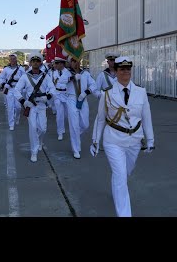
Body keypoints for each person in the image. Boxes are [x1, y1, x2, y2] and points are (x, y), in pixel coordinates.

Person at [91, 56, 155, 217]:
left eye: (128, 69)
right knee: (120, 176)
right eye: (122, 69)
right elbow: (100, 119)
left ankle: (116, 189)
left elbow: (146, 117)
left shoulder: (141, 92)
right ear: (116, 71)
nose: (125, 72)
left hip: (134, 140)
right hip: (113, 139)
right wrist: (95, 141)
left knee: (125, 172)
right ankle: (124, 214)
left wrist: (151, 140)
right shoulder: (107, 94)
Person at [13, 53, 56, 162]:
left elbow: (52, 89)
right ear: (30, 63)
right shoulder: (25, 77)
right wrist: (23, 101)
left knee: (43, 128)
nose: (35, 63)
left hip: (41, 105)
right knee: (32, 128)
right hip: (31, 106)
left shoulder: (45, 76)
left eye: (38, 61)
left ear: (41, 63)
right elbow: (16, 90)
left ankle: (39, 141)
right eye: (33, 61)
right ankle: (34, 151)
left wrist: (47, 97)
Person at [57, 55, 98, 159]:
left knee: (85, 124)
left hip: (83, 99)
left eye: (77, 61)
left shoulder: (85, 73)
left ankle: (75, 135)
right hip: (71, 99)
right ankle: (76, 149)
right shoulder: (66, 73)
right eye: (73, 61)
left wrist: (86, 92)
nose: (76, 63)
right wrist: (71, 78)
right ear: (70, 62)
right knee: (74, 125)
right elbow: (59, 85)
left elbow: (94, 85)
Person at [92, 52, 119, 151]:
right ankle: (96, 142)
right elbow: (95, 89)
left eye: (114, 60)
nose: (113, 62)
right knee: (100, 122)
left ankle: (113, 143)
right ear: (107, 62)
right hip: (105, 103)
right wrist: (101, 96)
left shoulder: (120, 73)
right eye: (111, 60)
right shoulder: (102, 75)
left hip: (117, 104)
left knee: (116, 123)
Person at [0, 53, 25, 131]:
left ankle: (17, 118)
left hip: (18, 89)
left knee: (18, 107)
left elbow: (25, 78)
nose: (12, 60)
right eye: (11, 59)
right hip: (9, 89)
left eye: (14, 59)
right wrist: (3, 83)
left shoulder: (21, 69)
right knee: (10, 107)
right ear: (9, 60)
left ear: (16, 59)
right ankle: (11, 124)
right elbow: (0, 78)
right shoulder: (6, 69)